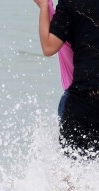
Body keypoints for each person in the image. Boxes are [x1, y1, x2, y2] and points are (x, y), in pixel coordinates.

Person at [34, 0, 99, 159]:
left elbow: (49, 47)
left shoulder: (70, 3)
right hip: (83, 97)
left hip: (83, 99)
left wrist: (44, 7)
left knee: (72, 173)